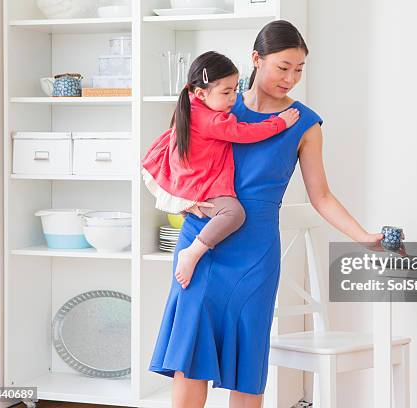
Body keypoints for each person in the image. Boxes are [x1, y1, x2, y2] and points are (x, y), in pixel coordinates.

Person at [149, 20, 385, 408]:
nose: (291, 78)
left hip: (255, 251)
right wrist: (185, 202)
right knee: (189, 357)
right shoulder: (218, 101)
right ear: (256, 59)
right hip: (201, 241)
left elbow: (321, 195)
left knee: (248, 360)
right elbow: (168, 162)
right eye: (283, 67)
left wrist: (362, 235)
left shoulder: (305, 123)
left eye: (299, 69)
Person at [142, 51, 300, 289]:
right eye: (226, 92)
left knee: (206, 214)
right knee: (234, 214)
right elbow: (245, 133)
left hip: (185, 181)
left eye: (235, 89)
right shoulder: (212, 121)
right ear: (201, 93)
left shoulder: (191, 107)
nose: (233, 98)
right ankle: (193, 252)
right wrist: (280, 122)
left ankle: (192, 225)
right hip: (201, 185)